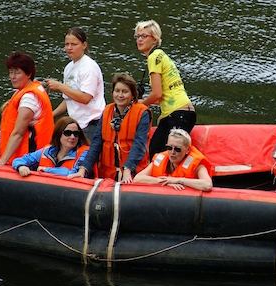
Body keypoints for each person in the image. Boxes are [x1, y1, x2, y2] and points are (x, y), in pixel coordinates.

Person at [69, 73, 151, 183]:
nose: (120, 95)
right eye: (117, 91)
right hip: (108, 174)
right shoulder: (107, 111)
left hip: (133, 173)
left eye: (125, 92)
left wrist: (128, 169)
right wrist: (83, 169)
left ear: (132, 95)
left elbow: (139, 144)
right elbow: (96, 143)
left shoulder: (142, 113)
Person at [134, 19, 196, 158]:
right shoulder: (161, 56)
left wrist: (138, 105)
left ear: (154, 39)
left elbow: (156, 94)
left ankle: (171, 179)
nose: (139, 39)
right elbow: (162, 96)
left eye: (144, 36)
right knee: (159, 151)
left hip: (177, 114)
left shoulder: (154, 57)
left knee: (157, 152)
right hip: (185, 112)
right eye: (137, 36)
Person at [0, 52, 54, 165]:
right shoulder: (25, 90)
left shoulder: (29, 98)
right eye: (11, 72)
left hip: (29, 158)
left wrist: (2, 161)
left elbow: (19, 133)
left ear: (28, 74)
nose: (12, 77)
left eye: (17, 73)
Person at [47, 27, 106, 140]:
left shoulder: (89, 67)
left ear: (84, 45)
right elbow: (69, 99)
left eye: (74, 44)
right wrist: (51, 114)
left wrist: (60, 86)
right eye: (67, 44)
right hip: (76, 124)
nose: (69, 48)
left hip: (92, 123)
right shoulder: (69, 68)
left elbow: (85, 98)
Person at [134, 128, 213, 191]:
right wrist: (166, 182)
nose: (172, 152)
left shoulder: (196, 164)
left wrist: (178, 180)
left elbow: (207, 185)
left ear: (187, 150)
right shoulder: (161, 158)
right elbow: (137, 178)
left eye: (177, 149)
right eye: (169, 147)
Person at [11, 117, 89, 177]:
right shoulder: (47, 151)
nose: (72, 137)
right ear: (58, 134)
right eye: (67, 133)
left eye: (76, 133)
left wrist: (46, 170)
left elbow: (73, 173)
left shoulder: (84, 153)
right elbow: (20, 160)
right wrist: (21, 166)